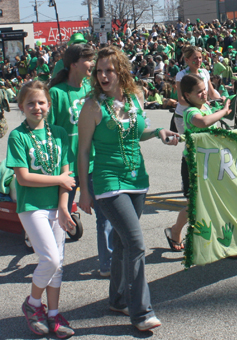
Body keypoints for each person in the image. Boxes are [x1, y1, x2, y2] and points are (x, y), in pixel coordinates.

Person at [77, 46, 179, 332]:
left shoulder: (135, 98)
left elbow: (139, 131)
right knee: (135, 244)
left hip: (137, 179)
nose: (104, 76)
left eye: (109, 70)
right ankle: (141, 311)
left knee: (122, 244)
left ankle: (119, 299)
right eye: (99, 71)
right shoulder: (92, 106)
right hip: (108, 182)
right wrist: (84, 191)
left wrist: (159, 132)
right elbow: (83, 151)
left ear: (121, 70)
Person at [7, 81, 76, 338]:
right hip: (32, 206)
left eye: (41, 102)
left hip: (55, 205)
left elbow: (65, 172)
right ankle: (33, 304)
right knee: (51, 259)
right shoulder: (18, 136)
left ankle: (53, 313)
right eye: (30, 103)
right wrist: (60, 180)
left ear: (48, 104)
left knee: (58, 267)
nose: (37, 107)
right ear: (22, 107)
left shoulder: (58, 132)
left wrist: (63, 207)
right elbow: (24, 178)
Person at [48, 43, 114, 277]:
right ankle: (53, 264)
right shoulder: (56, 94)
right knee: (58, 217)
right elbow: (49, 133)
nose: (93, 65)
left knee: (105, 215)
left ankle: (107, 264)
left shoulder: (91, 89)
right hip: (66, 168)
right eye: (89, 60)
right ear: (74, 63)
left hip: (93, 163)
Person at [164, 74, 231, 251]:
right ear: (187, 96)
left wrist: (223, 102)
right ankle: (176, 230)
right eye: (199, 92)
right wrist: (223, 112)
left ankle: (219, 239)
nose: (204, 94)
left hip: (211, 162)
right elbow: (201, 123)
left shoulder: (206, 107)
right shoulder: (190, 112)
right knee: (194, 204)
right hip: (193, 164)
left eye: (204, 90)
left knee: (215, 200)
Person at [173, 45, 223, 134]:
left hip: (203, 113)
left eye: (200, 58)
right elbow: (181, 100)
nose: (199, 61)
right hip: (184, 116)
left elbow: (211, 93)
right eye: (195, 58)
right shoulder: (181, 75)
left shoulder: (204, 72)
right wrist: (200, 102)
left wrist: (221, 99)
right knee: (192, 144)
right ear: (186, 60)